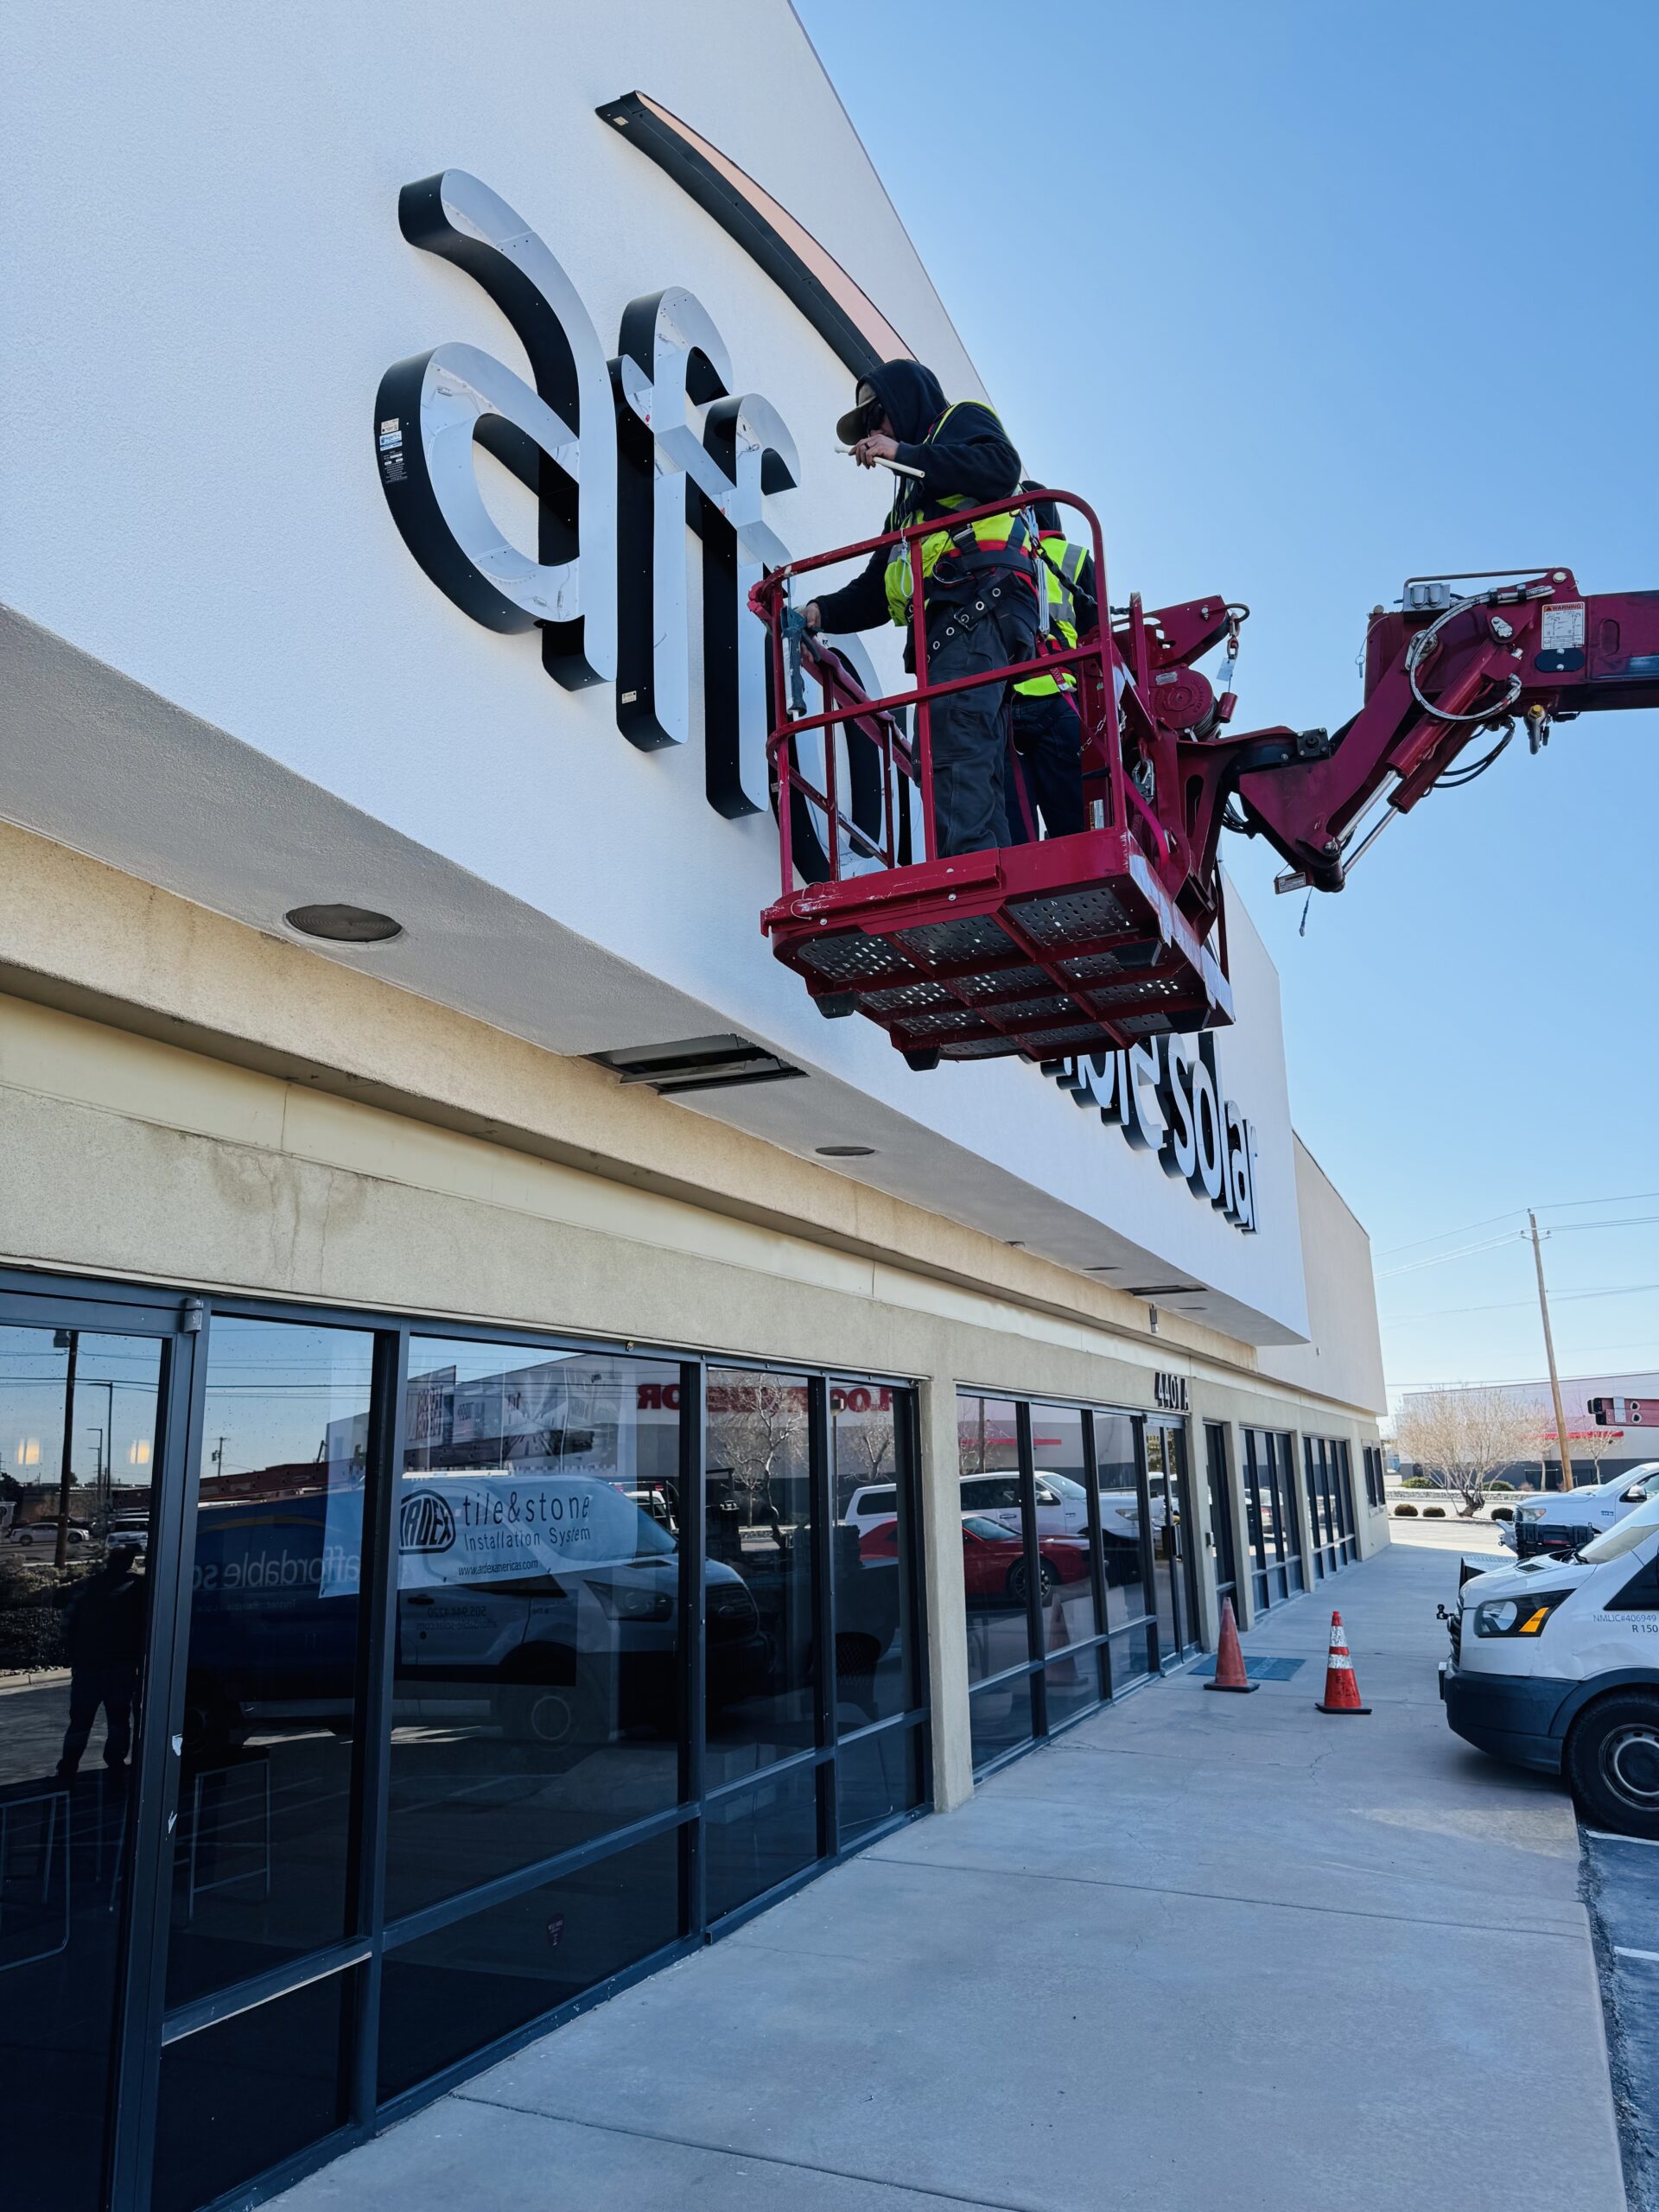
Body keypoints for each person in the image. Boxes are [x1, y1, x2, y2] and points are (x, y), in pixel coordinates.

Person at [802, 361, 1037, 856]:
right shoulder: (909, 503)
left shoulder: (959, 421)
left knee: (956, 750)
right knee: (968, 757)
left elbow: (1000, 467)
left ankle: (969, 884)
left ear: (905, 403)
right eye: (867, 427)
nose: (873, 433)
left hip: (978, 612)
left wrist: (905, 451)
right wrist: (820, 613)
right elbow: (875, 589)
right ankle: (992, 876)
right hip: (954, 632)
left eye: (877, 417)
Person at [1005, 486, 1096, 842]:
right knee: (1073, 827)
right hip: (1060, 696)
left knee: (1013, 826)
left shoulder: (1000, 552)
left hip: (1006, 700)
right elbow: (1094, 631)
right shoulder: (1074, 556)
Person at [54, 1541, 144, 1787]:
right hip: (121, 1665)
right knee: (118, 1717)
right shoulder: (138, 1588)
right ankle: (115, 1763)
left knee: (81, 1720)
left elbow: (67, 1622)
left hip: (88, 1666)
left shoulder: (88, 1586)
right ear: (128, 1563)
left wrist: (74, 1654)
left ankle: (68, 1766)